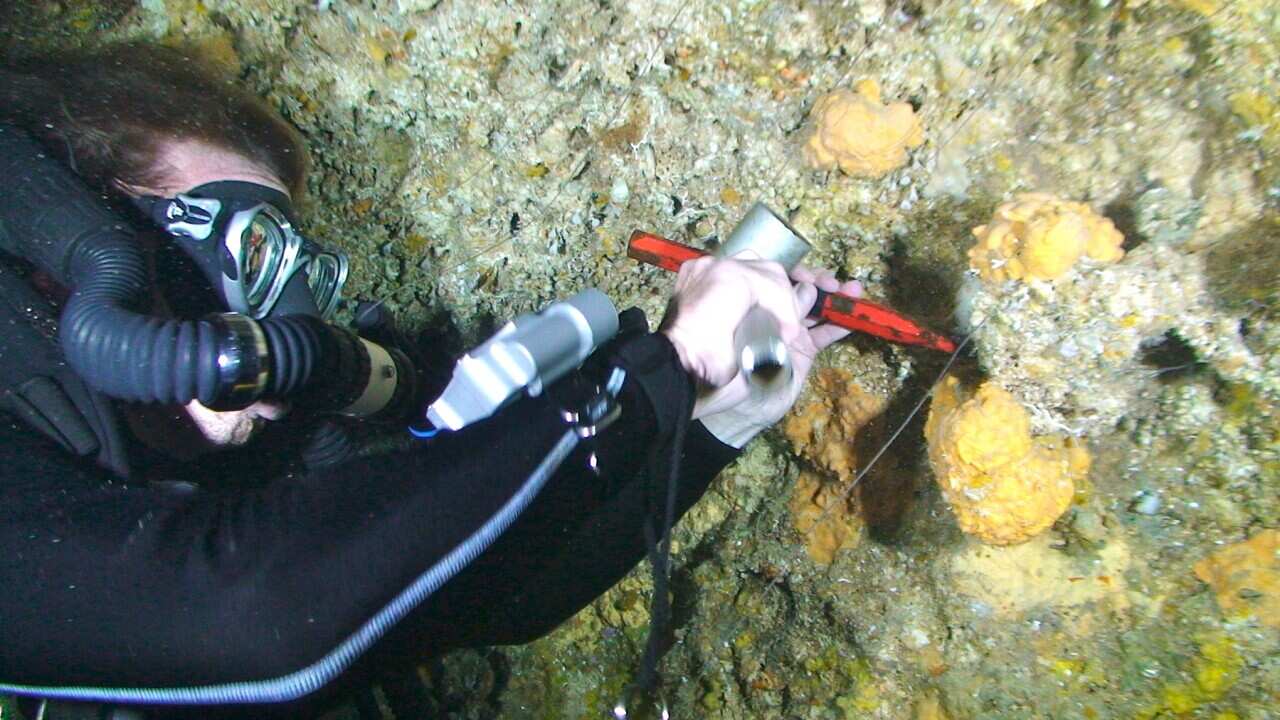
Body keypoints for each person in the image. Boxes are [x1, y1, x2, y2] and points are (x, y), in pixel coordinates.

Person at [0, 44, 861, 718]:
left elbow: (498, 604)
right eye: (246, 251)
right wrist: (662, 370)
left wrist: (716, 418)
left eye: (294, 267)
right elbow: (250, 618)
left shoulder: (221, 461)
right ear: (66, 258)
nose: (279, 319)